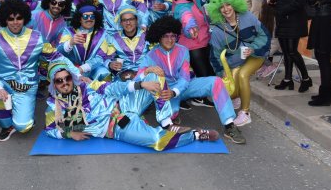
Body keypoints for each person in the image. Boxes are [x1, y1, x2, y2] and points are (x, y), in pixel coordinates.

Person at [44, 62, 219, 150]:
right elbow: (50, 129)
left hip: (124, 103)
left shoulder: (86, 86)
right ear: (53, 84)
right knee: (157, 142)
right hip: (116, 126)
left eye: (67, 78)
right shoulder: (53, 107)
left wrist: (141, 84)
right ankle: (196, 135)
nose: (65, 83)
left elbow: (112, 88)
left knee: (155, 76)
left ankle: (166, 122)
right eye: (59, 81)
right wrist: (69, 132)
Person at [0, 0, 76, 141]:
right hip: (4, 84)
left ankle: (22, 116)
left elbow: (56, 56)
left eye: (19, 18)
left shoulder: (36, 37)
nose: (15, 22)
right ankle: (7, 126)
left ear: (24, 18)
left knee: (24, 126)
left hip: (26, 87)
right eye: (11, 19)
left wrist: (77, 73)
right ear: (5, 19)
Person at [141, 17, 246, 144]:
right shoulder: (151, 55)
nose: (170, 40)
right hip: (165, 93)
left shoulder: (183, 50)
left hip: (183, 87)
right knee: (169, 119)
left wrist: (174, 92)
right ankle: (172, 116)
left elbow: (185, 78)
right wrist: (148, 71)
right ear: (158, 37)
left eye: (173, 36)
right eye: (165, 36)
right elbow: (139, 75)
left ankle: (229, 125)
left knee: (216, 82)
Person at [207, 0, 270, 126]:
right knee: (231, 89)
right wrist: (221, 72)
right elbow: (215, 56)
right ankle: (237, 95)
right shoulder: (217, 30)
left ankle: (245, 113)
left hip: (255, 55)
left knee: (243, 75)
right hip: (235, 61)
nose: (226, 9)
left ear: (234, 4)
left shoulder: (247, 17)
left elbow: (265, 36)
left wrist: (253, 48)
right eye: (222, 7)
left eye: (228, 4)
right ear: (218, 10)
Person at [268, 0, 314, 92]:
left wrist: (282, 10)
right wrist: (274, 1)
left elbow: (299, 1)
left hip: (294, 21)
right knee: (286, 52)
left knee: (292, 51)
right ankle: (287, 80)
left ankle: (306, 79)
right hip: (283, 20)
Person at [169, 0, 216, 94]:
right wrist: (191, 28)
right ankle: (199, 97)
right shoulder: (181, 6)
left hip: (202, 44)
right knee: (206, 79)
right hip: (194, 48)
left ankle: (202, 96)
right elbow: (186, 17)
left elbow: (197, 1)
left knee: (209, 76)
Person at [57, 0, 110, 80]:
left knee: (104, 73)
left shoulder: (103, 34)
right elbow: (59, 52)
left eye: (92, 16)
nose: (89, 19)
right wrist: (70, 43)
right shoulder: (69, 31)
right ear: (79, 19)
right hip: (72, 67)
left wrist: (83, 68)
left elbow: (101, 57)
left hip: (93, 68)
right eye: (85, 16)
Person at [29, 0, 72, 83]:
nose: (56, 6)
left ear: (64, 6)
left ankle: (42, 83)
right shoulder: (34, 15)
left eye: (60, 4)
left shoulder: (63, 24)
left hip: (45, 58)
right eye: (54, 2)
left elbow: (58, 45)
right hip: (28, 55)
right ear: (48, 2)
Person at [105, 5, 150, 81]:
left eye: (131, 19)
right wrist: (110, 64)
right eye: (124, 20)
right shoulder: (114, 38)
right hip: (124, 75)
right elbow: (107, 57)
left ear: (136, 20)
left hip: (146, 73)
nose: (128, 23)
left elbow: (156, 55)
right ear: (121, 23)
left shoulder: (147, 35)